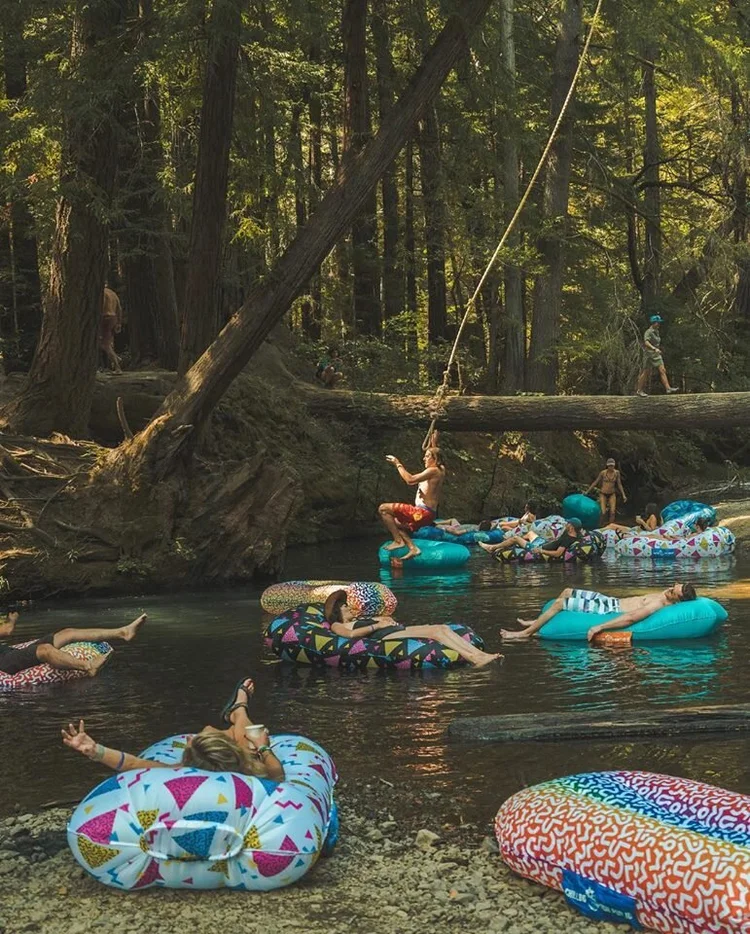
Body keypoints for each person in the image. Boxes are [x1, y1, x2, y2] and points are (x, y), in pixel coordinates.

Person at [62, 677, 285, 780]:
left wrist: (95, 751)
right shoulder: (248, 774)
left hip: (220, 757)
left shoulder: (179, 771)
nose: (188, 740)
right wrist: (263, 748)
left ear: (188, 760)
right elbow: (278, 775)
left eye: (190, 742)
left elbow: (131, 764)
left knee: (210, 730)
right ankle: (239, 710)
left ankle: (237, 711)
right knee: (244, 735)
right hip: (242, 754)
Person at [323, 590, 502, 667]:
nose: (349, 607)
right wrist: (377, 625)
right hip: (383, 637)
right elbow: (351, 634)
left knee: (442, 628)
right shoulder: (339, 625)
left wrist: (384, 619)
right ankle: (473, 658)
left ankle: (480, 655)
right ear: (338, 611)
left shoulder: (360, 618)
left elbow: (384, 620)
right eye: (345, 606)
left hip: (393, 630)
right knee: (436, 632)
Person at [501, 582, 697, 642]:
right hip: (608, 600)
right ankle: (537, 621)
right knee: (568, 590)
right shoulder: (666, 595)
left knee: (560, 603)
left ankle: (525, 633)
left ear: (677, 601)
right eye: (673, 586)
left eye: (673, 592)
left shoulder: (659, 604)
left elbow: (630, 618)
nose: (669, 589)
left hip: (608, 609)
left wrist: (600, 626)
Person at [0, 610, 147, 677]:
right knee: (45, 650)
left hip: (9, 652)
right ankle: (88, 666)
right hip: (4, 661)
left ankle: (123, 632)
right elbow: (7, 630)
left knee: (68, 633)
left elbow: (6, 631)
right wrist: (12, 619)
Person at [379, 443, 446, 560]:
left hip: (421, 512)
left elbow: (410, 480)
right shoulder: (441, 470)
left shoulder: (433, 471)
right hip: (427, 514)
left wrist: (397, 463)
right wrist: (433, 442)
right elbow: (436, 453)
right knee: (394, 522)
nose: (424, 458)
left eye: (427, 456)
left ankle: (398, 541)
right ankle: (412, 548)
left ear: (435, 459)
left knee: (383, 509)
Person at [635, 315, 679, 396]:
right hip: (649, 354)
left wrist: (657, 350)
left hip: (656, 354)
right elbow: (646, 342)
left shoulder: (656, 331)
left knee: (662, 370)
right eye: (657, 323)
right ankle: (639, 390)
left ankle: (668, 388)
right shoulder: (648, 332)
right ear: (653, 323)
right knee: (646, 372)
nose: (659, 324)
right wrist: (654, 348)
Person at [585, 459, 627, 524]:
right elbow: (596, 482)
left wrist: (623, 495)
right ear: (607, 466)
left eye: (612, 466)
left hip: (612, 493)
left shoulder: (617, 473)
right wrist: (587, 491)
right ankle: (600, 525)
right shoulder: (603, 473)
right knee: (603, 512)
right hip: (603, 493)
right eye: (609, 466)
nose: (611, 467)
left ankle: (610, 526)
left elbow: (619, 484)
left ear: (614, 466)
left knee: (612, 512)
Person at [100, 285, 123, 374]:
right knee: (108, 342)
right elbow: (119, 308)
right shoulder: (112, 293)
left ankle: (117, 367)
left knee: (104, 344)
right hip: (113, 317)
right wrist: (119, 322)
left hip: (105, 317)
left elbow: (101, 306)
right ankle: (114, 361)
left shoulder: (102, 293)